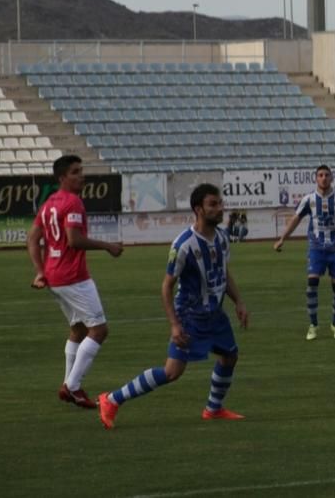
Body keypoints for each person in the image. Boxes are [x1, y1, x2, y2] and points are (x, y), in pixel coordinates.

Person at [98, 183, 250, 429]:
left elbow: (224, 272)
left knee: (229, 356)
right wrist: (174, 325)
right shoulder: (184, 245)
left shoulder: (222, 237)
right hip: (190, 316)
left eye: (220, 203)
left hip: (215, 314)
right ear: (198, 209)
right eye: (213, 204)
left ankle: (213, 409)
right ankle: (112, 399)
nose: (220, 208)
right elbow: (167, 286)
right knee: (172, 372)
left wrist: (239, 302)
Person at [26, 154, 124, 409]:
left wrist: (40, 271)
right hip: (73, 277)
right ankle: (72, 386)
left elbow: (32, 238)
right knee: (99, 330)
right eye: (75, 172)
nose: (82, 175)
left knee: (79, 330)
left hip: (55, 276)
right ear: (62, 178)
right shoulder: (72, 203)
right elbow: (74, 240)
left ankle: (70, 385)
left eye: (81, 170)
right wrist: (108, 246)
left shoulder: (49, 203)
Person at [274, 164, 335, 340]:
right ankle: (313, 325)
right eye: (320, 175)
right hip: (316, 247)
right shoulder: (309, 199)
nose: (323, 178)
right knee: (312, 284)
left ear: (331, 177)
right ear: (315, 178)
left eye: (327, 175)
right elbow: (295, 219)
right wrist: (282, 238)